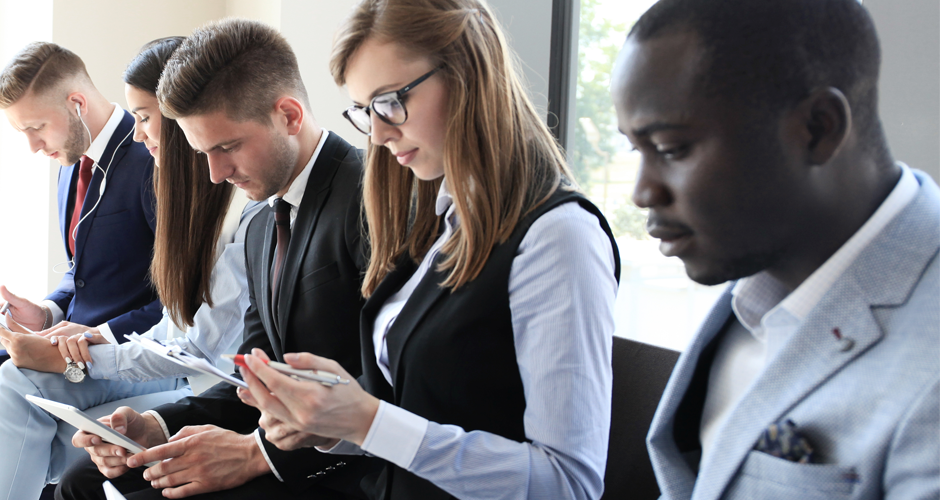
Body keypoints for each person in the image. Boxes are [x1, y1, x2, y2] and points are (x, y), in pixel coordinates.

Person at [236, 0, 620, 499]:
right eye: (364, 110)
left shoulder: (558, 235)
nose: (376, 132)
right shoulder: (436, 222)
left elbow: (567, 484)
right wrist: (337, 424)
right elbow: (422, 420)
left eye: (391, 100)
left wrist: (368, 419)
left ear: (467, 76)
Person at [610, 0, 940, 498]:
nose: (642, 192)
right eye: (637, 149)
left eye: (672, 149)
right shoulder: (754, 288)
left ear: (817, 128)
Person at [57, 19, 377, 500]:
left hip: (342, 467)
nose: (214, 173)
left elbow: (387, 388)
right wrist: (156, 426)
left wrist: (256, 453)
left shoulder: (369, 200)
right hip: (276, 439)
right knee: (80, 481)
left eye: (226, 147)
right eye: (202, 151)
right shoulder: (262, 221)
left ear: (289, 115)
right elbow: (251, 380)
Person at [0, 36, 262, 500]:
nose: (140, 134)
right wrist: (54, 319)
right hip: (144, 349)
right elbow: (84, 272)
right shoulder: (79, 168)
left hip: (181, 368)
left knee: (17, 393)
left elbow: (185, 335)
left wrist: (85, 345)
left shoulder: (205, 200)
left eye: (144, 118)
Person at [0, 41, 164, 486]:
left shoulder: (151, 160)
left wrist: (89, 335)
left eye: (36, 127)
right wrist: (46, 311)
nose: (32, 146)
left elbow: (175, 297)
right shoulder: (70, 160)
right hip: (63, 337)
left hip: (115, 348)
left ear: (77, 103)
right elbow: (80, 272)